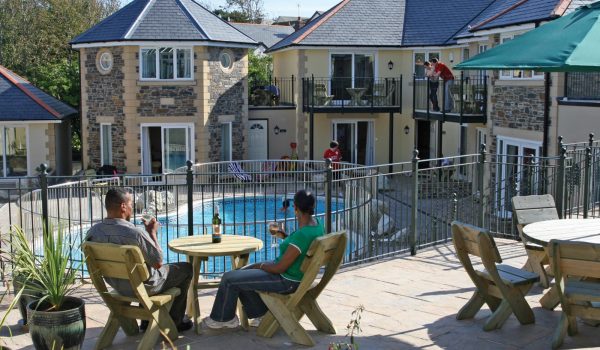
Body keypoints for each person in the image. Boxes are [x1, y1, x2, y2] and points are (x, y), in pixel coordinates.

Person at [203, 189, 325, 329]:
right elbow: (300, 247)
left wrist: (259, 265)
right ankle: (260, 314)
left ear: (295, 208)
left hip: (287, 281)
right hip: (297, 278)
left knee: (229, 278)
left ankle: (223, 319)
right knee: (241, 272)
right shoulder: (317, 224)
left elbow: (280, 268)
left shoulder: (302, 235)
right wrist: (285, 236)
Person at [85, 188, 193, 332]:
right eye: (131, 203)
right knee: (185, 269)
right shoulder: (134, 234)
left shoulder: (92, 232)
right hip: (143, 288)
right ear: (123, 206)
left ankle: (147, 321)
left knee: (145, 272)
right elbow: (158, 262)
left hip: (118, 285)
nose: (133, 207)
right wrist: (152, 233)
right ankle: (175, 322)